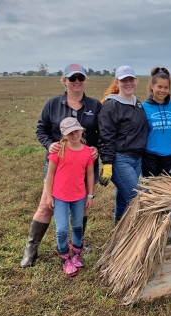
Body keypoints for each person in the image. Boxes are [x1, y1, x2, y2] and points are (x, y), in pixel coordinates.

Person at [20, 63, 101, 268]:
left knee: (80, 206)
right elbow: (41, 130)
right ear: (64, 81)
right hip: (60, 164)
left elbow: (104, 132)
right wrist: (49, 145)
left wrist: (97, 148)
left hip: (84, 163)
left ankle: (77, 246)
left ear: (85, 81)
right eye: (71, 78)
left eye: (80, 78)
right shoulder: (52, 104)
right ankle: (31, 249)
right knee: (46, 206)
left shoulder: (94, 105)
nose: (76, 82)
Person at [98, 66, 148, 226]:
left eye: (131, 79)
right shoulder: (111, 106)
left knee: (123, 194)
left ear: (136, 81)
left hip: (136, 158)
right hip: (120, 159)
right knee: (138, 198)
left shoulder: (137, 103)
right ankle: (138, 233)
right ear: (117, 82)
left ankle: (118, 224)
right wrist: (107, 163)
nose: (128, 83)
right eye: (124, 80)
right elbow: (105, 136)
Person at [45, 117, 95, 276]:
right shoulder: (58, 150)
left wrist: (90, 195)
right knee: (61, 229)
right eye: (70, 133)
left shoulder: (88, 152)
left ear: (82, 130)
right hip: (59, 196)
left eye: (77, 131)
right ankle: (64, 256)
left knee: (78, 225)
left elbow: (90, 175)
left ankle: (76, 253)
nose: (74, 135)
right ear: (64, 135)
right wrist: (48, 196)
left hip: (79, 196)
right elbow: (50, 174)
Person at [141, 67, 171, 177]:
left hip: (169, 156)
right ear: (152, 86)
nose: (162, 90)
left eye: (166, 87)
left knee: (165, 191)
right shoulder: (143, 107)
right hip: (150, 156)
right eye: (159, 87)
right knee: (151, 191)